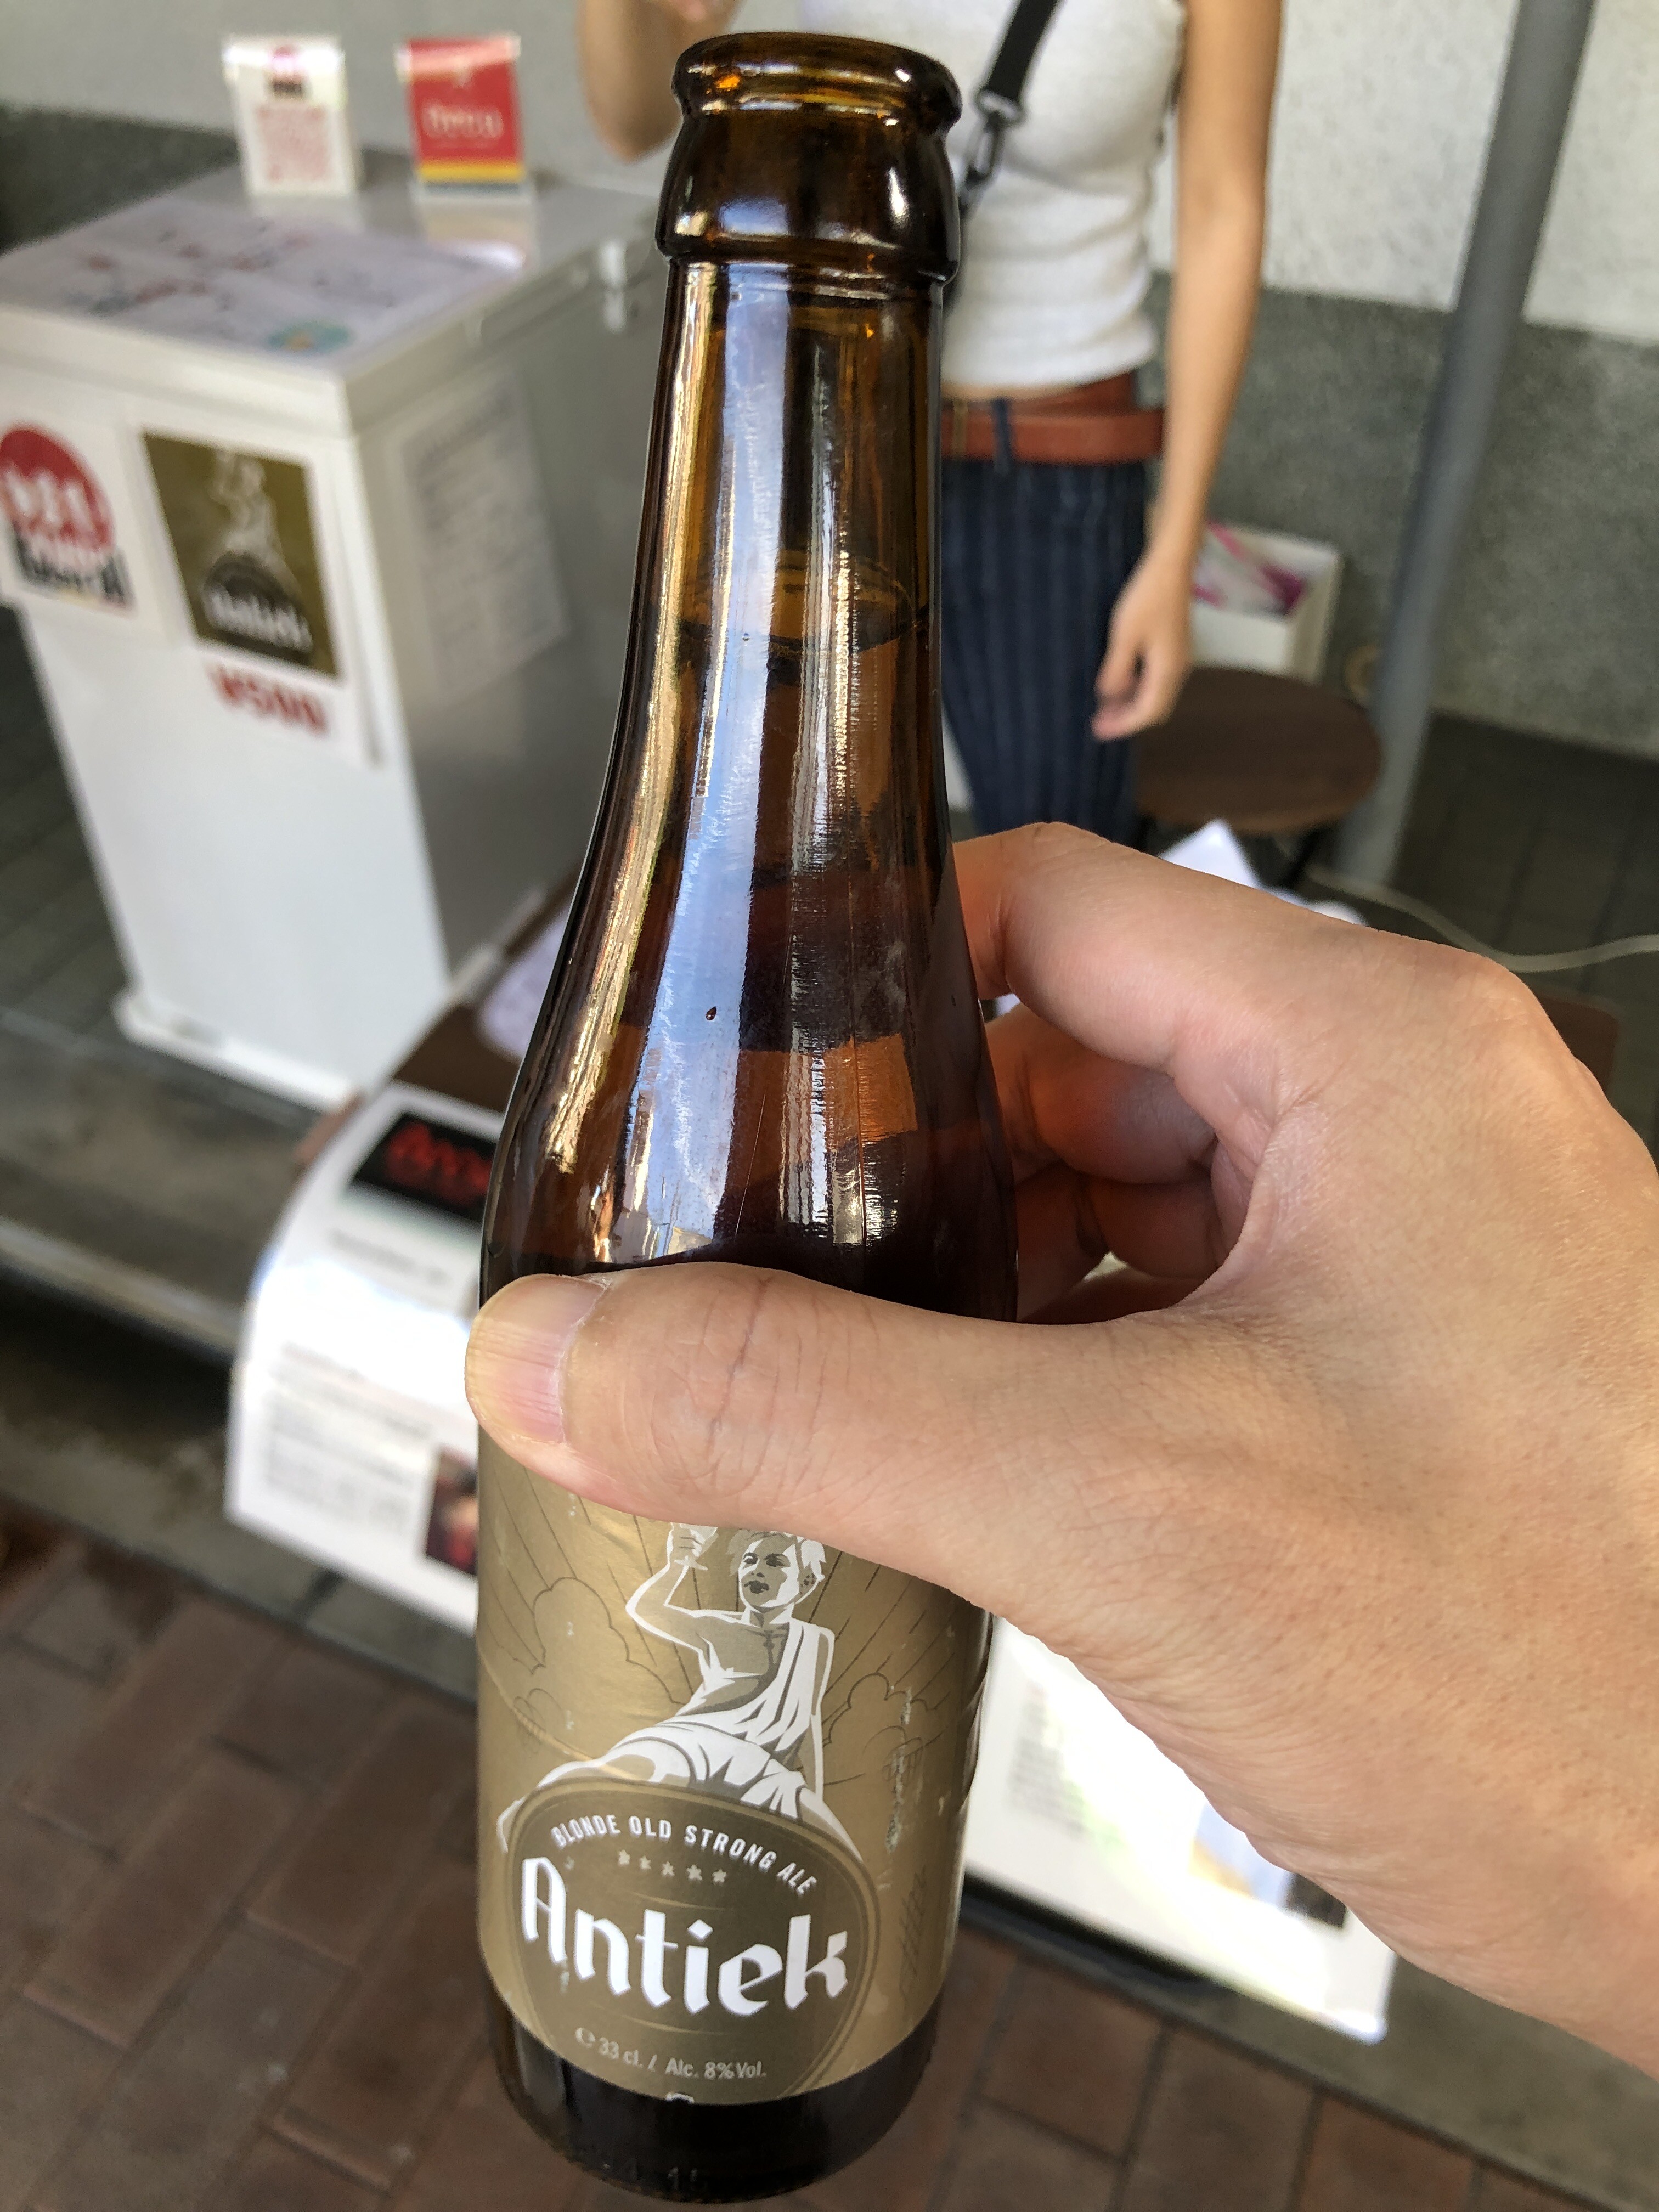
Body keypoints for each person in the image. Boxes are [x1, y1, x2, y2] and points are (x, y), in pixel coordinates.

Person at [469, 824, 1659, 2081]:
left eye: (772, 1571)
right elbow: (669, 1612)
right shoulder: (745, 1631)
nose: (763, 1577)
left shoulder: (802, 1650)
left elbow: (797, 1739)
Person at [577, 0, 1280, 842]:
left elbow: (1222, 211)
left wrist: (1176, 545)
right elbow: (634, 121)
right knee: (797, 831)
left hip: (1048, 464)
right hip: (821, 438)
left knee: (1058, 851)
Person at [541, 1524, 853, 1846]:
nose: (757, 1570)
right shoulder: (716, 1627)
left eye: (775, 1562)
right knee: (621, 1774)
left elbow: (808, 1719)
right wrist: (676, 1566)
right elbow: (645, 1609)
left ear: (806, 1583)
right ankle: (527, 1813)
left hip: (763, 1768)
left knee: (835, 1843)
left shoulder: (815, 1641)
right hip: (696, 1742)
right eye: (749, 1561)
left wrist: (814, 1794)